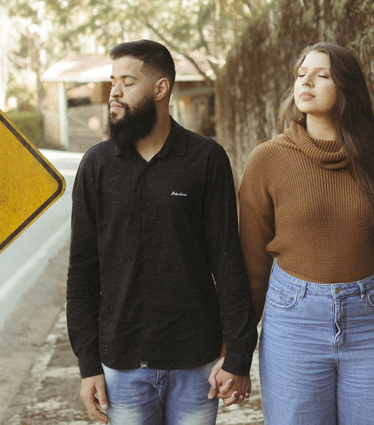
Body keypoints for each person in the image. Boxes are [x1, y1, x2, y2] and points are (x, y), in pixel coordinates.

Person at [238, 43, 374, 423]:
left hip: (372, 323)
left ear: (347, 89)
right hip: (293, 323)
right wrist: (236, 353)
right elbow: (251, 270)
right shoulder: (267, 160)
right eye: (301, 74)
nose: (306, 81)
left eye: (321, 74)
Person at [67, 39, 257, 424]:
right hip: (121, 366)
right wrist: (88, 364)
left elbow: (227, 259)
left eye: (127, 82)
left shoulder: (206, 160)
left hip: (196, 365)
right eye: (112, 81)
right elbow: (82, 272)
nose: (114, 93)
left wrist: (238, 355)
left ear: (160, 89)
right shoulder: (97, 166)